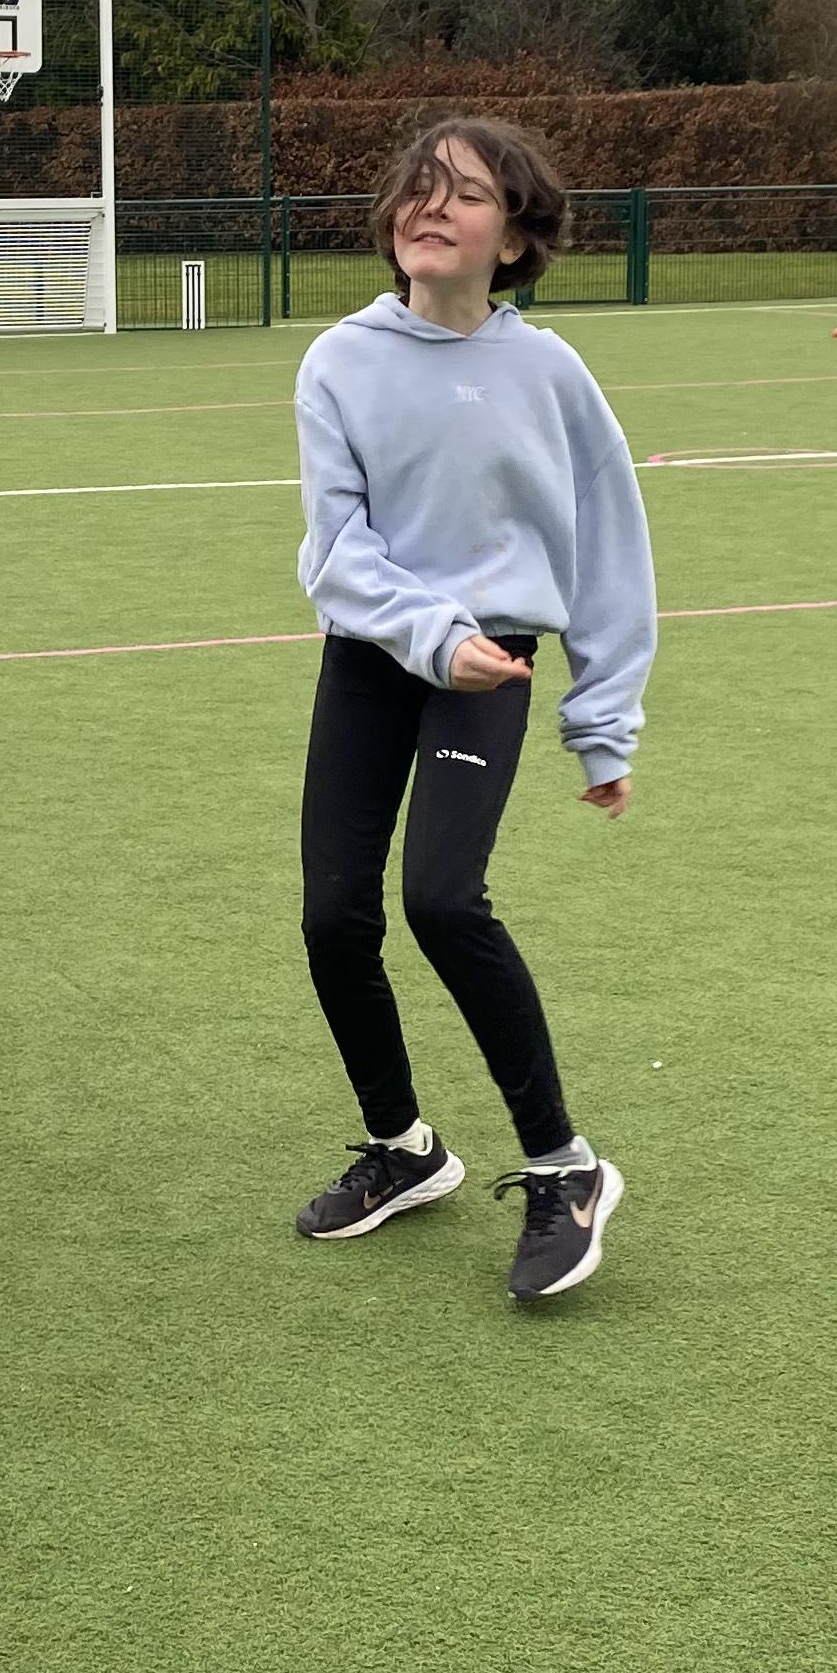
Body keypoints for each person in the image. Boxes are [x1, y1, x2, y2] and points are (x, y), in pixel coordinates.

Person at [287, 115, 654, 1304]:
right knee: (333, 917)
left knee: (441, 898)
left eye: (467, 195)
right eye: (418, 189)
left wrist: (602, 722)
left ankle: (565, 1166)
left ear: (517, 238)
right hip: (376, 655)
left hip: (496, 660)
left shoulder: (550, 372)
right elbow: (335, 552)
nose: (430, 208)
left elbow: (608, 549)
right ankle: (404, 1149)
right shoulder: (338, 360)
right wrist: (428, 637)